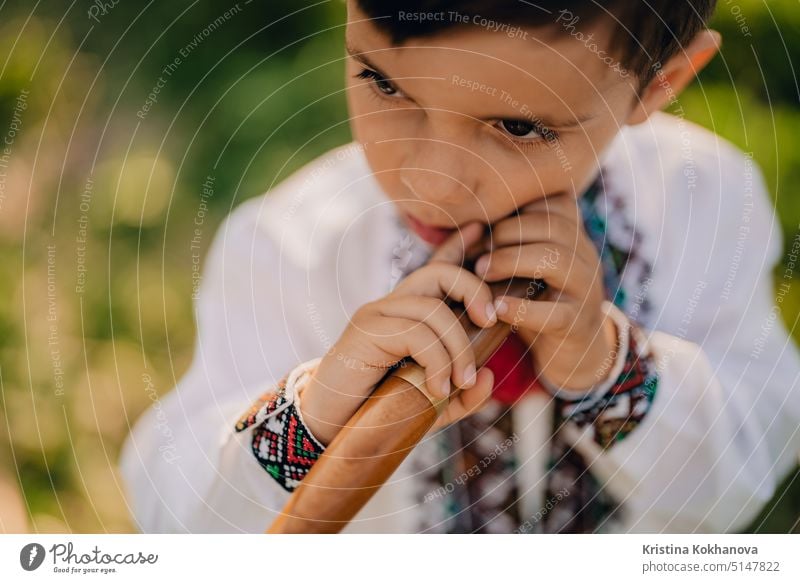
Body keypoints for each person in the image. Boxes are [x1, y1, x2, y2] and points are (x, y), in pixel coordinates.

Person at [119, 0, 800, 533]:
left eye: (521, 128)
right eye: (383, 83)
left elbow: (756, 455)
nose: (434, 183)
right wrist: (317, 412)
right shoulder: (287, 248)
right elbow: (176, 511)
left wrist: (610, 369)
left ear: (659, 83)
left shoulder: (706, 201)